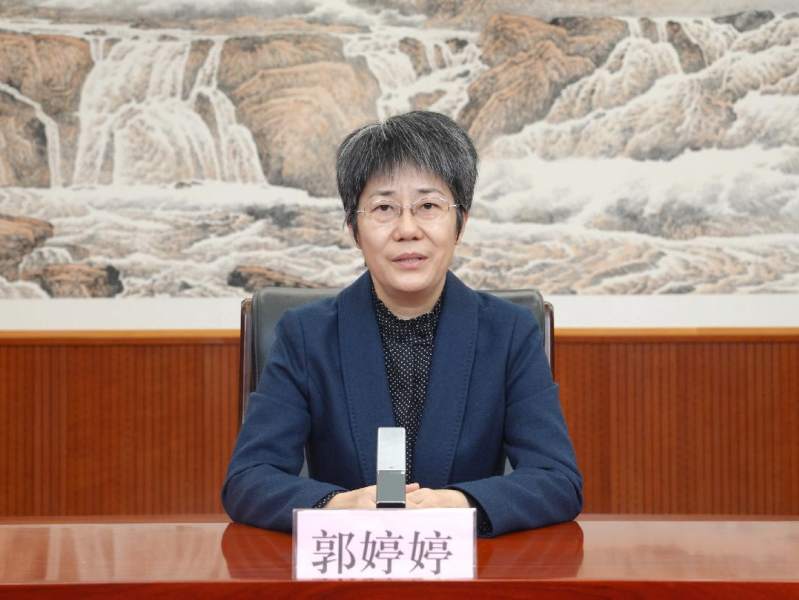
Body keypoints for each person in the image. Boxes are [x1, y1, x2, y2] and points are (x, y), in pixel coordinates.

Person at [222, 111, 582, 537]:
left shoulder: (509, 333)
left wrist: (459, 503)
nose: (407, 229)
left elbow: (557, 480)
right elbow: (249, 480)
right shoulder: (305, 336)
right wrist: (337, 505)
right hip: (350, 563)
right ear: (354, 228)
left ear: (461, 222)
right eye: (384, 208)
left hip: (468, 567)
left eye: (428, 206)